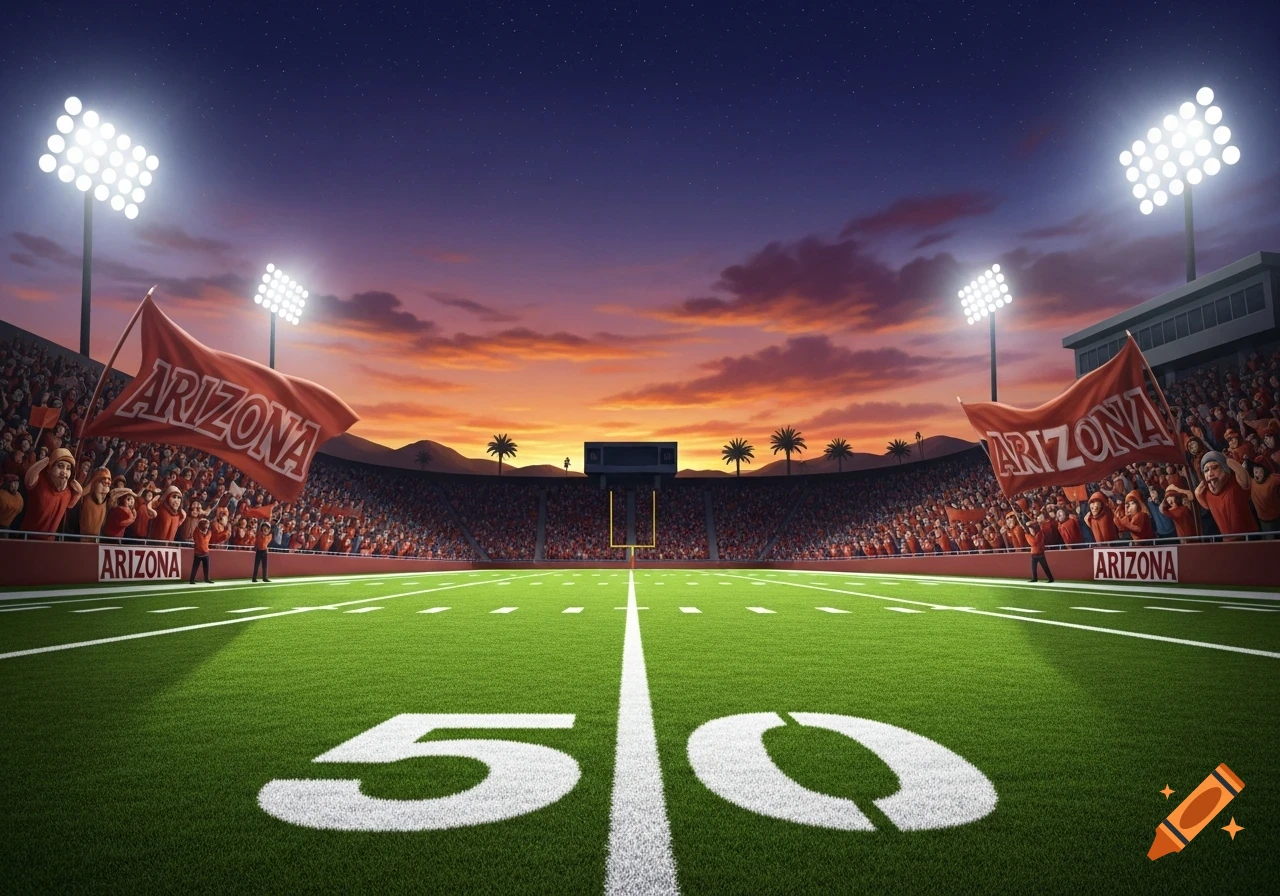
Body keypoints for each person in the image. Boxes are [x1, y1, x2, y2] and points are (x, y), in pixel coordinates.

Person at [21, 447, 83, 538]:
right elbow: (29, 478)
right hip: (27, 539)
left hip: (49, 543)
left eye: (68, 468)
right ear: (49, 468)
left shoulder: (68, 492)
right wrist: (47, 460)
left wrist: (79, 492)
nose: (64, 472)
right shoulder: (40, 481)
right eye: (60, 466)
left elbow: (70, 505)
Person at [1194, 451, 1257, 538]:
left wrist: (1228, 461)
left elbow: (1245, 481)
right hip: (1228, 542)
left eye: (1215, 467)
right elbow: (1205, 505)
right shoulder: (1207, 494)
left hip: (1249, 538)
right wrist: (1197, 494)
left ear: (1224, 469)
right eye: (1206, 470)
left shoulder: (1235, 483)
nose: (1210, 474)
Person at [1015, 511, 1054, 583]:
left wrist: (1027, 535)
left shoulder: (1039, 534)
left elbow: (1033, 543)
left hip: (1039, 553)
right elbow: (1025, 528)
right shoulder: (1034, 534)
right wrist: (1020, 519)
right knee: (1033, 568)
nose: (1030, 531)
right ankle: (1035, 578)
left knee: (1045, 567)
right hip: (1034, 553)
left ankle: (1051, 578)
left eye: (1031, 529)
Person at [1244, 457, 1280, 533]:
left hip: (1275, 518)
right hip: (1261, 518)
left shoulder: (1272, 479)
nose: (1257, 474)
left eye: (1260, 471)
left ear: (1265, 471)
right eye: (1255, 471)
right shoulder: (1251, 481)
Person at [77, 468, 113, 539]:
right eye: (103, 482)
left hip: (97, 539)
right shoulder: (85, 498)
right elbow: (79, 495)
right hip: (82, 538)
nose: (105, 487)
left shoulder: (108, 501)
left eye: (108, 484)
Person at [189, 517, 214, 584]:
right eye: (206, 525)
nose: (207, 527)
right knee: (195, 567)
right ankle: (192, 579)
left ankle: (207, 579)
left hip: (205, 552)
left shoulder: (208, 532)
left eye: (207, 525)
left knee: (206, 567)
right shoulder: (197, 532)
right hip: (198, 552)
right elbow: (199, 540)